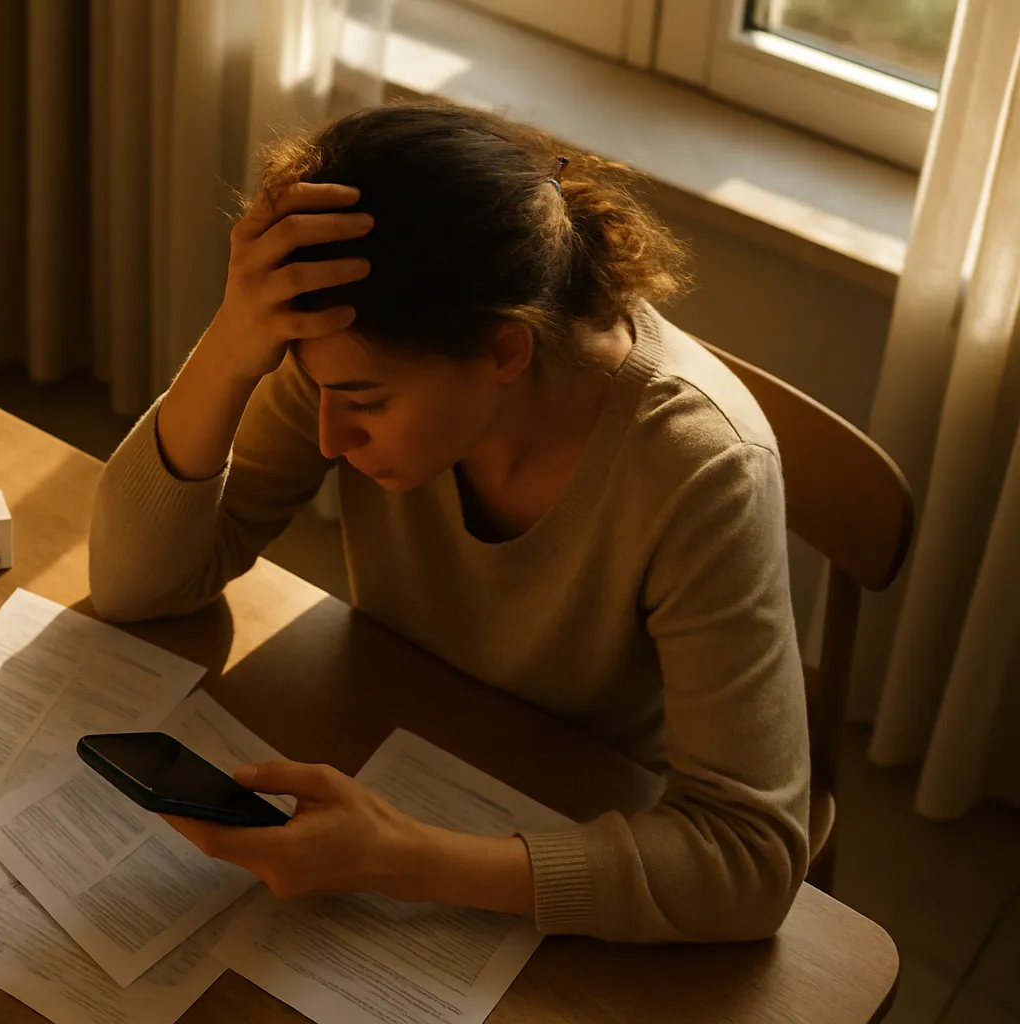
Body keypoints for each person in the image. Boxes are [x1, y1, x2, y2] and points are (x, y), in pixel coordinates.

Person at [88, 99, 810, 943]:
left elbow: (750, 860)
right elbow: (137, 586)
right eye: (314, 387)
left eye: (366, 402)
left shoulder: (702, 467)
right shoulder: (357, 349)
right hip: (402, 727)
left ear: (506, 351)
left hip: (579, 815)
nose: (329, 436)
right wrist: (233, 339)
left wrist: (408, 861)